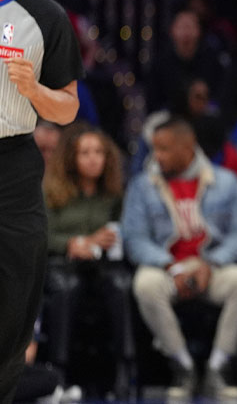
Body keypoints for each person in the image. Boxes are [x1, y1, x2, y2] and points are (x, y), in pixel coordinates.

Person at [0, 0, 84, 404]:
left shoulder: (45, 14)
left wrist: (34, 91)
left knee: (14, 308)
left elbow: (68, 109)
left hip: (13, 166)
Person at [122, 117, 237, 401]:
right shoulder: (142, 185)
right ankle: (182, 367)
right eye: (154, 149)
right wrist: (170, 265)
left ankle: (218, 368)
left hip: (211, 266)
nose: (156, 156)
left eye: (164, 149)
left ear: (188, 147)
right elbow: (134, 239)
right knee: (145, 284)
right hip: (166, 267)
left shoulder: (226, 182)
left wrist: (210, 264)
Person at [42, 123, 134, 396]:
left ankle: (124, 368)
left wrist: (107, 242)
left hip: (103, 264)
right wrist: (72, 244)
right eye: (85, 152)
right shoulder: (52, 190)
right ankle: (59, 370)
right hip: (62, 263)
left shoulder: (114, 194)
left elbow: (123, 231)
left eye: (98, 152)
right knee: (66, 288)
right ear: (71, 157)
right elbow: (41, 235)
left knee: (122, 285)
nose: (93, 159)